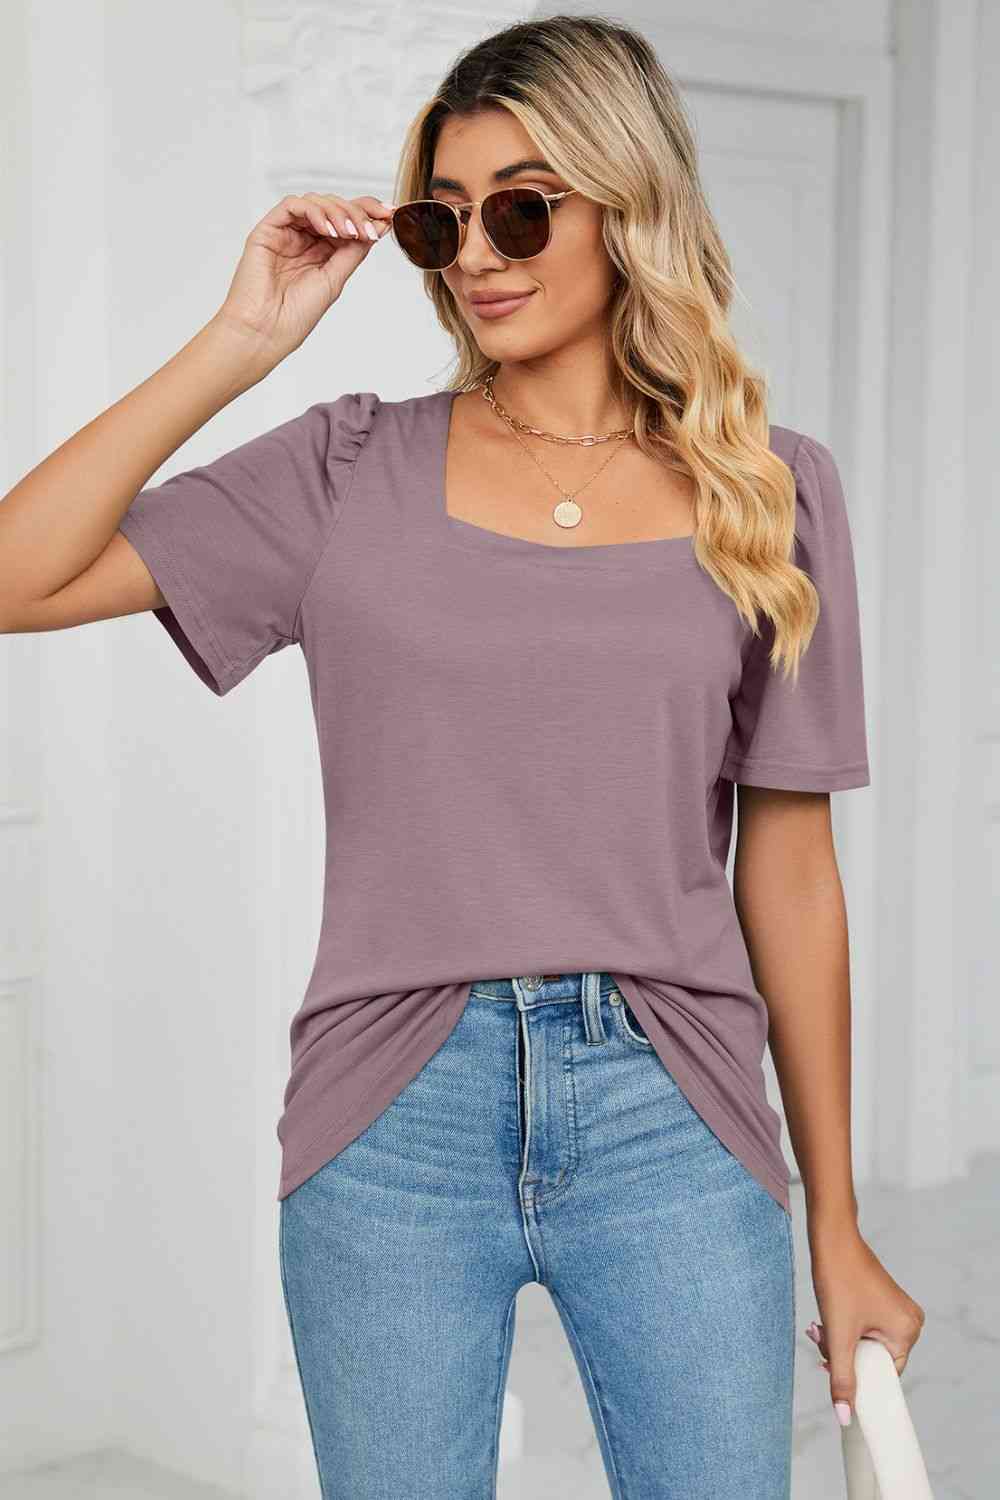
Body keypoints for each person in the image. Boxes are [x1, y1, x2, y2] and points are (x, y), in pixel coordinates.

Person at [0, 13, 925, 1498]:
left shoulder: (771, 493)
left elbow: (794, 874)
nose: (478, 255)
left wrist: (838, 1219)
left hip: (675, 1106)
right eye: (443, 220)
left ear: (628, 207)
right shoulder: (343, 467)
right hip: (393, 1110)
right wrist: (242, 343)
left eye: (523, 209)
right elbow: (15, 575)